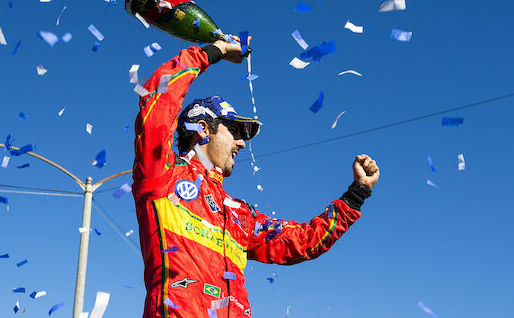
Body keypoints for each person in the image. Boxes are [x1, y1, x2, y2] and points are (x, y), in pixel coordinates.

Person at [132, 35, 380, 318]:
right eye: (235, 132)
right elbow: (157, 104)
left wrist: (357, 193)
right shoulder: (164, 177)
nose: (241, 143)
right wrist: (213, 52)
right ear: (203, 128)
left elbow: (303, 241)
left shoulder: (240, 214)